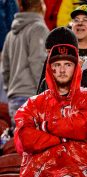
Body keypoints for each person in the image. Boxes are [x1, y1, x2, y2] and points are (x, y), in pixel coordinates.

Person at [13, 44, 87, 177]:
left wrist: (45, 127)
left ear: (76, 68)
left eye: (68, 64)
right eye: (57, 65)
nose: (62, 70)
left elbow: (83, 127)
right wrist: (62, 137)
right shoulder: (34, 104)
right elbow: (26, 138)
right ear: (50, 69)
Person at [1, 0, 49, 129]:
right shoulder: (39, 29)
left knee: (19, 144)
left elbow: (5, 69)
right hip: (32, 96)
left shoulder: (10, 34)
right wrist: (46, 92)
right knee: (34, 145)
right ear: (41, 6)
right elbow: (38, 63)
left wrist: (11, 90)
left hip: (14, 98)